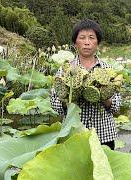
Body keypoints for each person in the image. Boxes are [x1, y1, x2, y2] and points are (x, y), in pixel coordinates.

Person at [50, 19, 121, 150]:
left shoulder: (107, 69)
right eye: (82, 38)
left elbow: (116, 106)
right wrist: (69, 97)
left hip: (104, 135)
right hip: (74, 135)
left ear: (97, 43)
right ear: (75, 42)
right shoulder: (66, 69)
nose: (87, 42)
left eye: (91, 38)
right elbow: (54, 103)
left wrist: (103, 94)